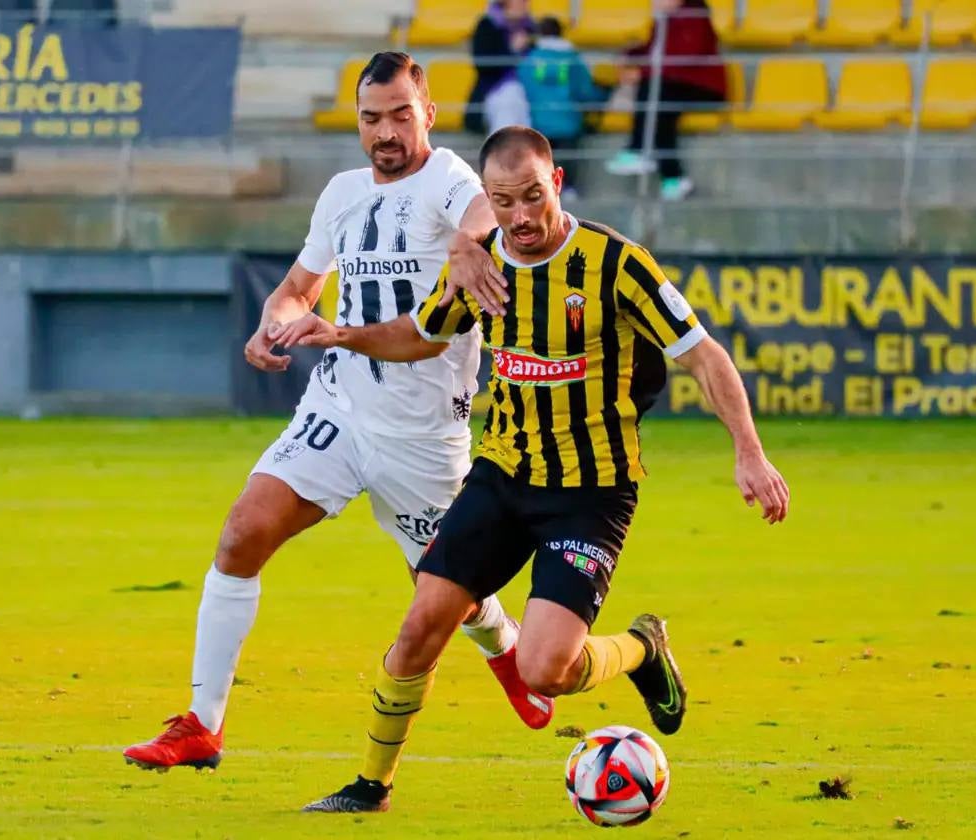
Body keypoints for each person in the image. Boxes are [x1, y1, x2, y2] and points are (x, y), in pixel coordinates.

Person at [281, 126, 791, 813]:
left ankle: (640, 649)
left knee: (543, 671)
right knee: (420, 624)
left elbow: (702, 354)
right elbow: (421, 337)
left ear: (556, 184)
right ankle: (372, 785)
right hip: (503, 474)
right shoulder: (480, 263)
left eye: (531, 198)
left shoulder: (616, 263)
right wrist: (339, 332)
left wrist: (749, 452)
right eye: (503, 201)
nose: (520, 217)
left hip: (591, 491)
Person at [121, 55, 555, 774]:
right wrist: (274, 320)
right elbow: (298, 287)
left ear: (428, 115)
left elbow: (486, 211)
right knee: (241, 534)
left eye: (400, 115)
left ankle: (508, 656)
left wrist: (463, 240)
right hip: (340, 406)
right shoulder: (342, 193)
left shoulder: (448, 178)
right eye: (371, 118)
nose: (385, 132)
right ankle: (203, 722)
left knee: (451, 590)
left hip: (423, 434)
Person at [605, 0, 726, 201]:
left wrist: (642, 73)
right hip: (671, 86)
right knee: (661, 110)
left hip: (702, 86)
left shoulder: (693, 14)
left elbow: (684, 57)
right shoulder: (664, 19)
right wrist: (629, 55)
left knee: (654, 92)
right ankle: (674, 178)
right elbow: (653, 50)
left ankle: (638, 149)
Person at [518, 15, 606, 199]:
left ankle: (542, 191)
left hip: (539, 121)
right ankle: (569, 188)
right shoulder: (573, 59)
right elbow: (585, 91)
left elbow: (524, 89)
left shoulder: (530, 59)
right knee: (569, 158)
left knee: (543, 159)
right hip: (569, 121)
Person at [466, 0, 535, 134]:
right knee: (510, 96)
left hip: (529, 91)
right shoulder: (487, 25)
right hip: (494, 89)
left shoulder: (531, 29)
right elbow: (483, 65)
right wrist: (512, 51)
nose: (526, 3)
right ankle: (501, 149)